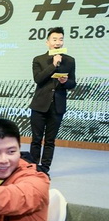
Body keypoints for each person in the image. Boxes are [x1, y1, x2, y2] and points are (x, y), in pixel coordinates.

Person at [29, 27, 76, 174]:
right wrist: (53, 65)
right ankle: (32, 169)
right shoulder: (38, 59)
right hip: (39, 105)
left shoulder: (70, 61)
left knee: (50, 140)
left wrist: (65, 82)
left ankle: (44, 169)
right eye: (54, 39)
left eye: (60, 39)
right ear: (47, 42)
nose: (58, 42)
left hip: (57, 106)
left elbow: (73, 83)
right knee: (36, 139)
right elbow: (38, 79)